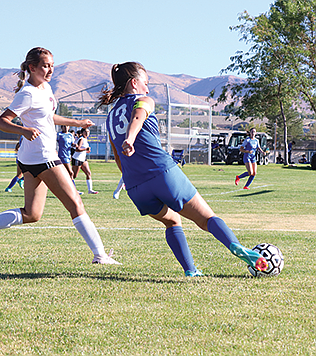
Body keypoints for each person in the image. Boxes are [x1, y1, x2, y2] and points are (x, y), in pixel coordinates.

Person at [99, 61, 267, 277]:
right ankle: (238, 248)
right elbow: (138, 116)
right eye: (146, 83)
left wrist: (128, 176)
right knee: (206, 218)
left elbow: (117, 157)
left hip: (135, 187)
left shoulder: (110, 116)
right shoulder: (143, 100)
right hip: (162, 174)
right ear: (134, 83)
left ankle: (191, 270)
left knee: (172, 220)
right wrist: (131, 138)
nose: (148, 89)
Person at [0, 47, 119, 265]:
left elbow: (48, 117)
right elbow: (1, 121)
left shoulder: (45, 88)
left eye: (52, 66)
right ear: (31, 67)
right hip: (44, 156)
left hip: (30, 158)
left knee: (32, 214)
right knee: (76, 203)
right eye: (45, 66)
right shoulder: (27, 93)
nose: (50, 70)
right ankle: (100, 255)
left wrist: (77, 123)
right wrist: (23, 130)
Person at [72, 128, 98, 194]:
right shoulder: (81, 139)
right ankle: (72, 190)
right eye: (85, 132)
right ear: (82, 132)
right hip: (77, 158)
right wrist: (85, 149)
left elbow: (82, 149)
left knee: (88, 173)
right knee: (73, 175)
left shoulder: (85, 139)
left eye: (88, 131)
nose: (87, 133)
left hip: (83, 159)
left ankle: (90, 190)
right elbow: (77, 149)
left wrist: (86, 151)